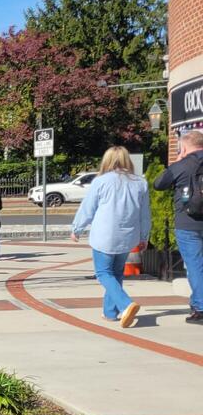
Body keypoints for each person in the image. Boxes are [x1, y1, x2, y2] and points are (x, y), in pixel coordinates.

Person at [71, 146, 151, 328]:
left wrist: (77, 228)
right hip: (128, 236)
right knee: (116, 273)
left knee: (103, 273)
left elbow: (88, 207)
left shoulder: (101, 181)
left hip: (104, 235)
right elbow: (144, 213)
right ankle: (110, 312)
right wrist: (144, 235)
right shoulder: (140, 182)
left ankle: (125, 304)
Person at [153, 129, 203, 324]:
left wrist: (179, 160)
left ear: (184, 147)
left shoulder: (182, 165)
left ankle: (200, 307)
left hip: (187, 223)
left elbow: (158, 184)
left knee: (195, 265)